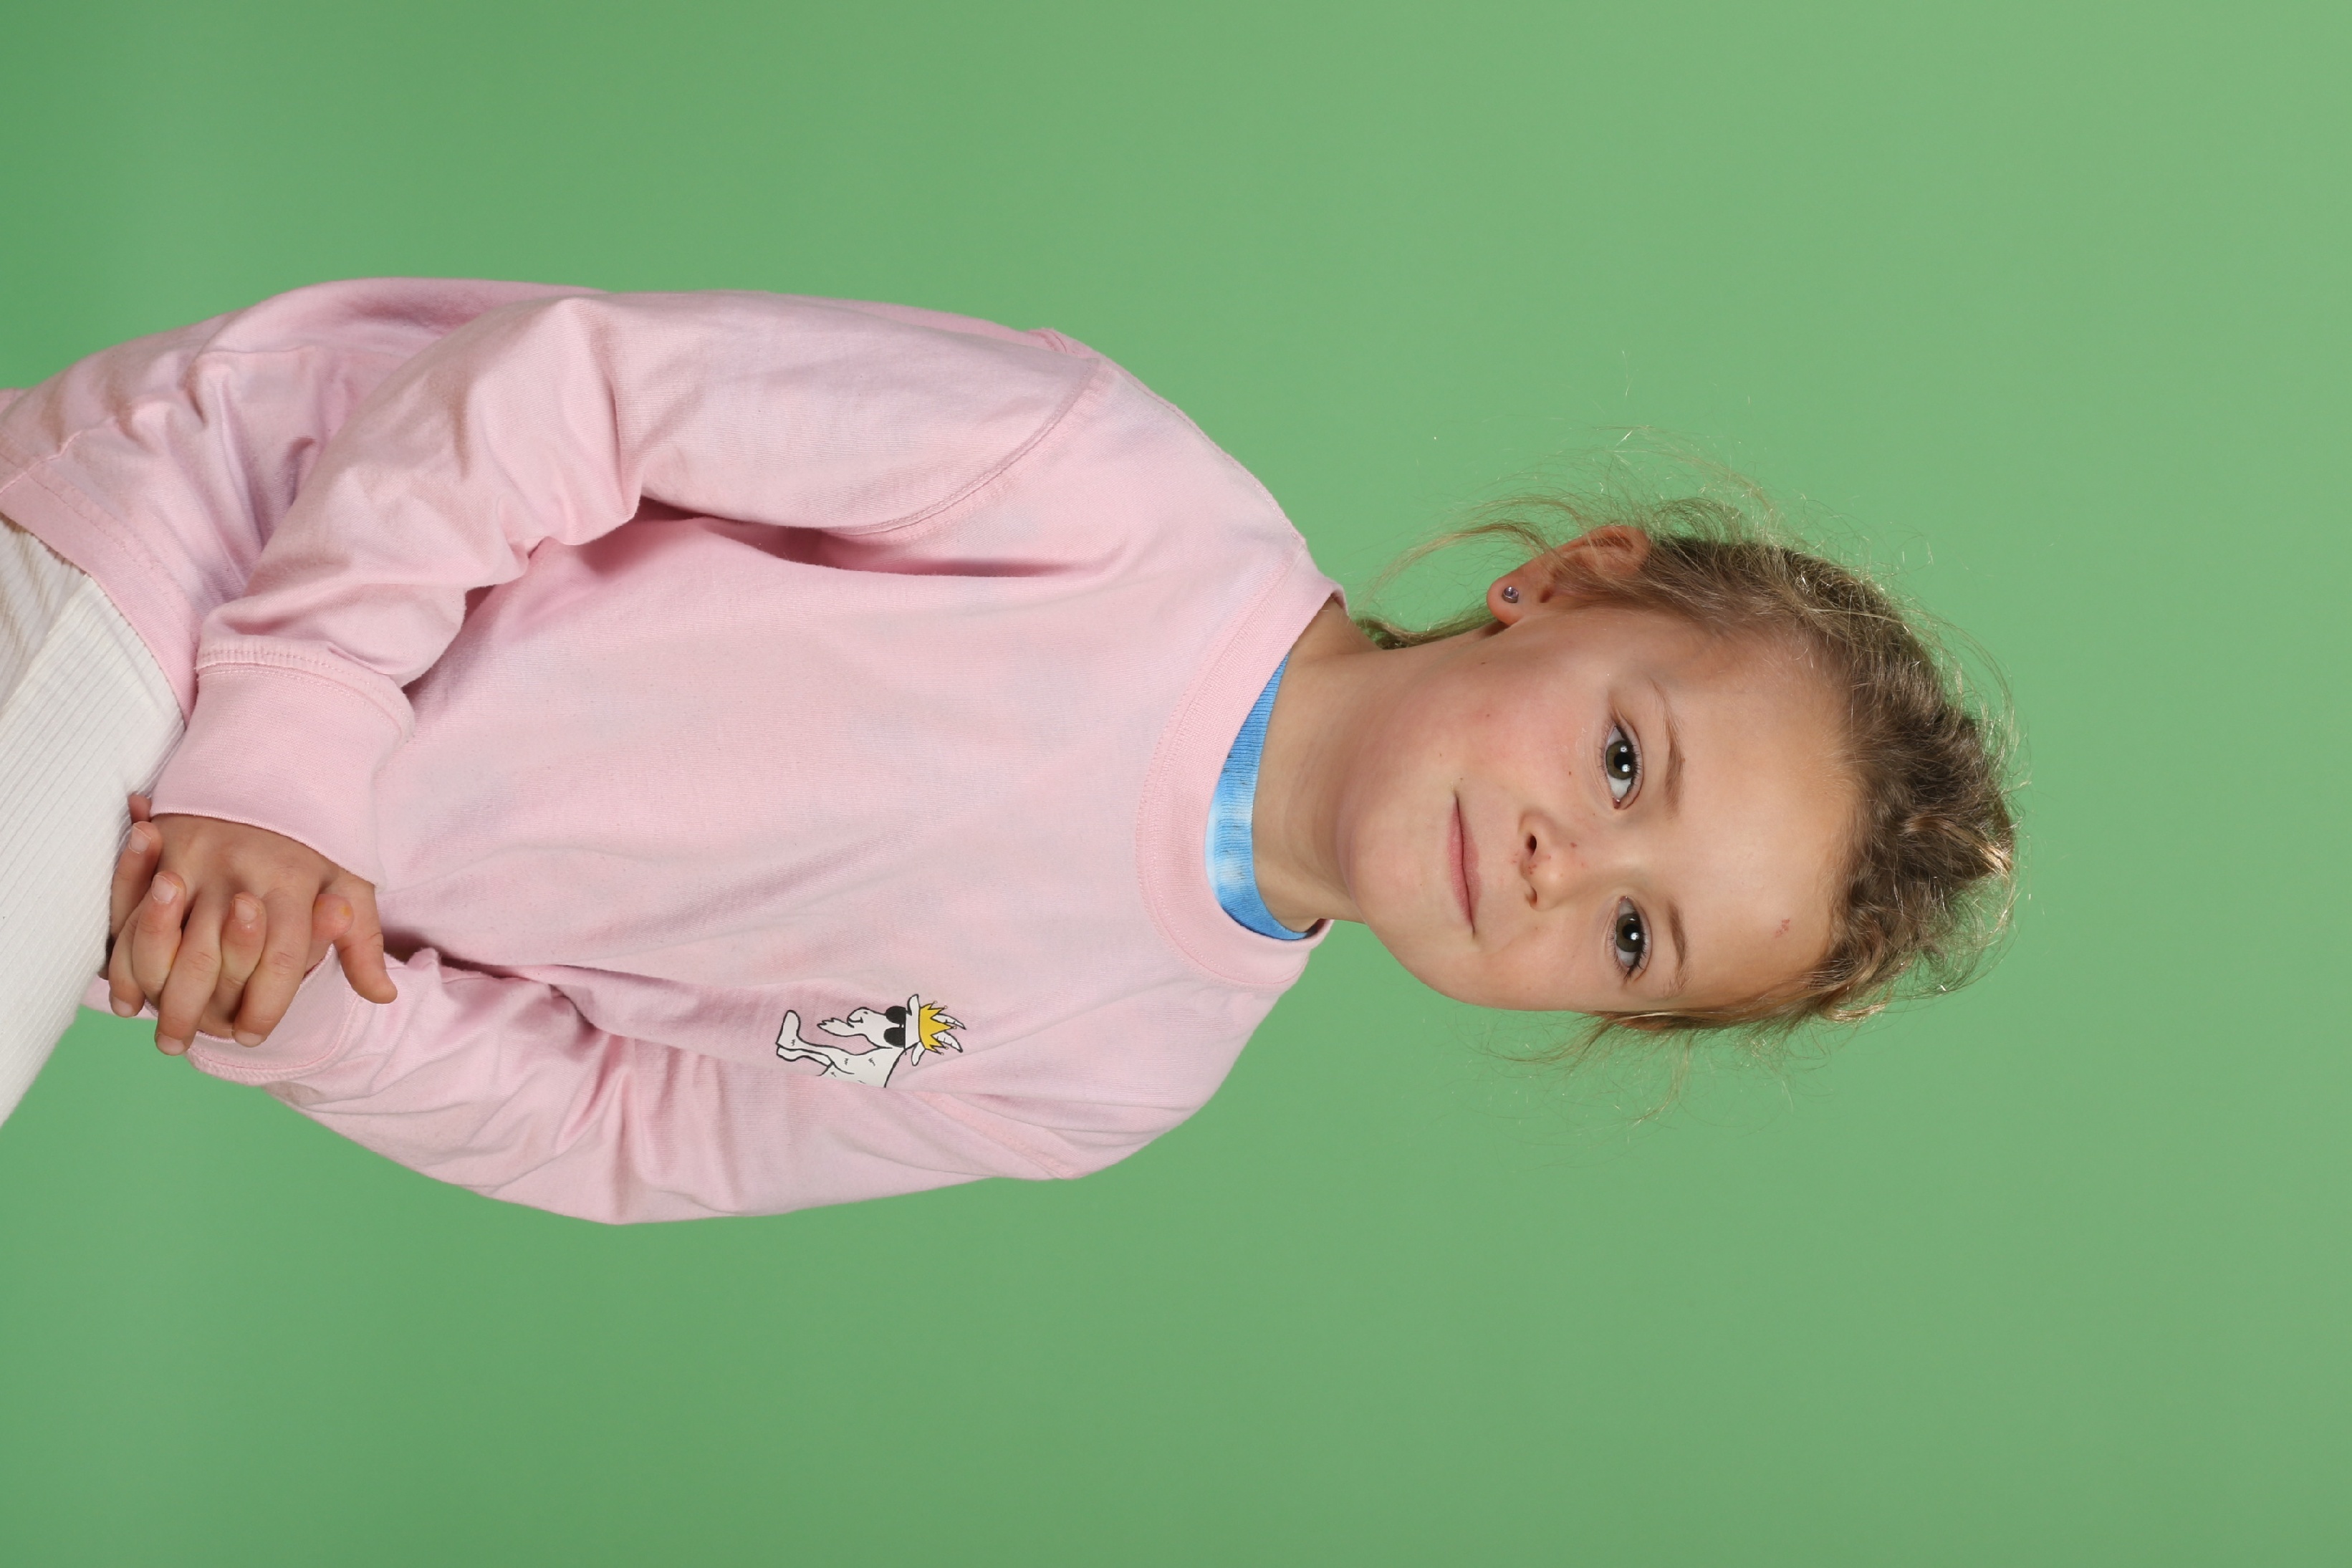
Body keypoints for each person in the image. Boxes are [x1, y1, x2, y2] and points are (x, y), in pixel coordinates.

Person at [0, 280, 2014, 1222]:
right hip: (201, 557)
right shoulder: (1100, 493)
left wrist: (312, 999)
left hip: (184, 876)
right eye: (1627, 765)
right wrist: (287, 742)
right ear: (1569, 584)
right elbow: (571, 399)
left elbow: (635, 1117)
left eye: (1638, 941)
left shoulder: (1089, 1066)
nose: (1574, 865)